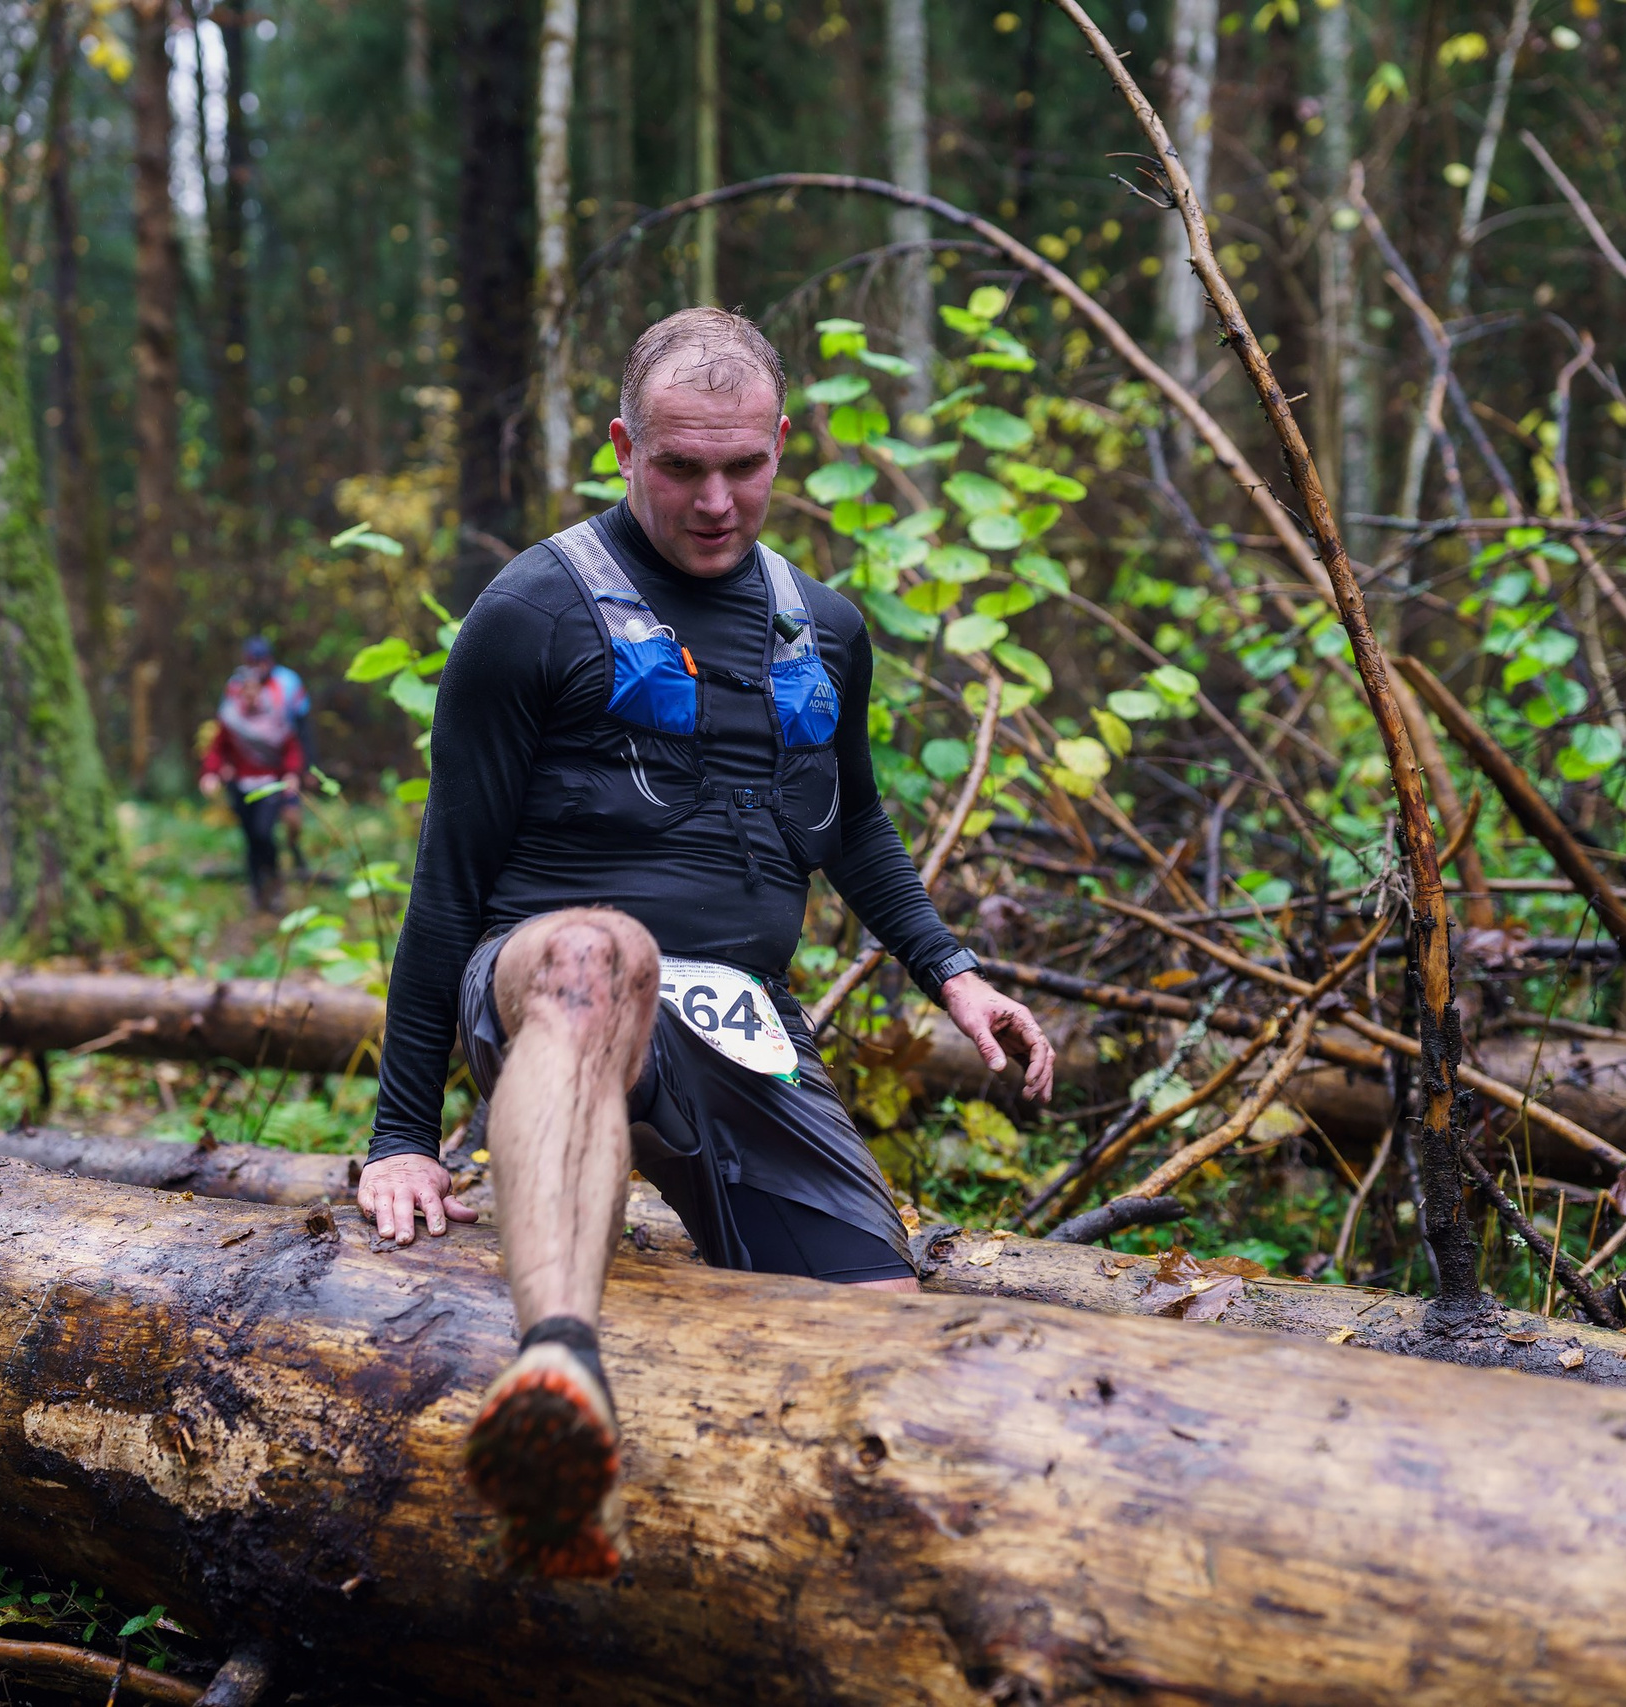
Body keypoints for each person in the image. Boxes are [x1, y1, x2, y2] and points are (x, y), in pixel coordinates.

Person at [357, 308, 1055, 1578]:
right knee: (603, 949)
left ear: (784, 444)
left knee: (874, 1339)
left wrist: (953, 974)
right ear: (623, 448)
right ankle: (557, 1379)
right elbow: (446, 881)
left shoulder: (824, 628)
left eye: (745, 465)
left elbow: (855, 830)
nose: (718, 500)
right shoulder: (531, 612)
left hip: (734, 1022)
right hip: (543, 985)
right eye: (681, 467)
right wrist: (400, 1135)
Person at [198, 638, 311, 910]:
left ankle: (274, 881)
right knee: (250, 838)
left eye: (253, 690)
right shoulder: (231, 719)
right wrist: (211, 773)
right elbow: (217, 749)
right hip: (241, 785)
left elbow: (292, 747)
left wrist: (293, 774)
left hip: (269, 786)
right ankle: (257, 889)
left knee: (264, 833)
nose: (248, 695)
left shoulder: (276, 717)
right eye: (243, 691)